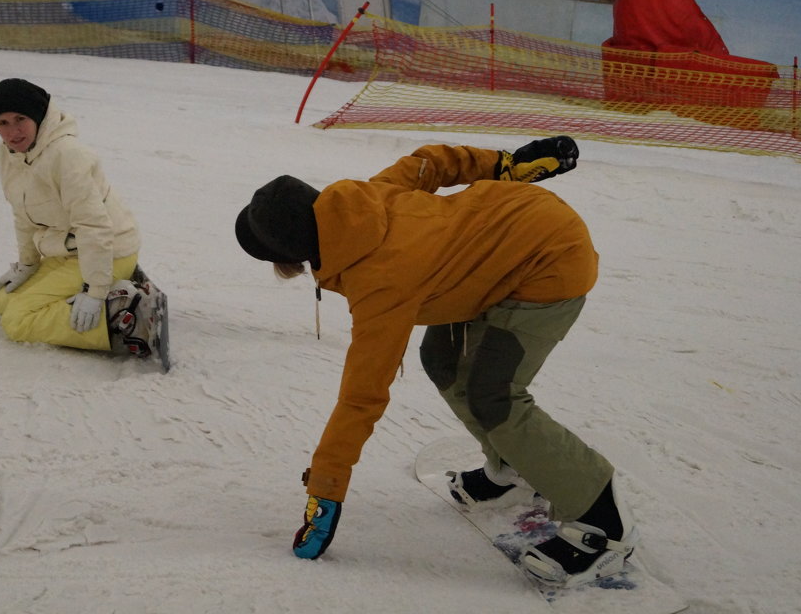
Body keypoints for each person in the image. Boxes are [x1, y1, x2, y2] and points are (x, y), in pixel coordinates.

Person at [234, 136, 637, 587]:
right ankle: (510, 467)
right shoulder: (362, 200)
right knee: (442, 358)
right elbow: (429, 163)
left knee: (494, 394)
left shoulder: (380, 282)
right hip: (501, 244)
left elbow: (361, 396)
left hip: (549, 258)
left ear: (293, 255)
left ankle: (603, 520)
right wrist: (503, 165)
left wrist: (325, 490)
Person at [0, 77, 160, 358]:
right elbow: (22, 215)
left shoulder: (67, 155)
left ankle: (122, 315)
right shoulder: (10, 155)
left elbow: (94, 226)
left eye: (21, 118)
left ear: (39, 116)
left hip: (108, 250)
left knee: (16, 321)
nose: (13, 131)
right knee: (4, 300)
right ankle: (121, 288)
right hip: (72, 251)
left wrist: (96, 293)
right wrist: (28, 263)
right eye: (3, 122)